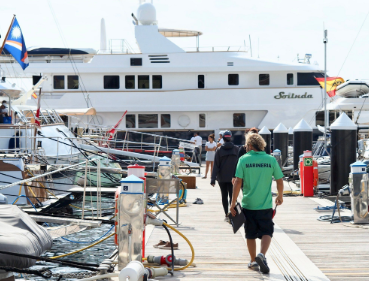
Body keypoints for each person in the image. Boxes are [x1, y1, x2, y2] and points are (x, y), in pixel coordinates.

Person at [231, 133, 284, 274]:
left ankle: (253, 261)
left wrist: (232, 203)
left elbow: (237, 183)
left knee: (250, 234)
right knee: (267, 231)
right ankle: (262, 255)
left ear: (249, 145)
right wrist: (280, 196)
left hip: (248, 204)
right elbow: (279, 180)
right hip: (265, 204)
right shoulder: (271, 160)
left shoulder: (243, 159)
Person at [210, 130, 239, 222]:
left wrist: (213, 179)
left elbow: (216, 166)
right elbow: (240, 165)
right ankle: (232, 214)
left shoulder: (219, 150)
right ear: (230, 137)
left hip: (221, 178)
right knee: (232, 196)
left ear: (222, 138)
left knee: (224, 196)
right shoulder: (236, 149)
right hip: (233, 177)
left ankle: (226, 214)